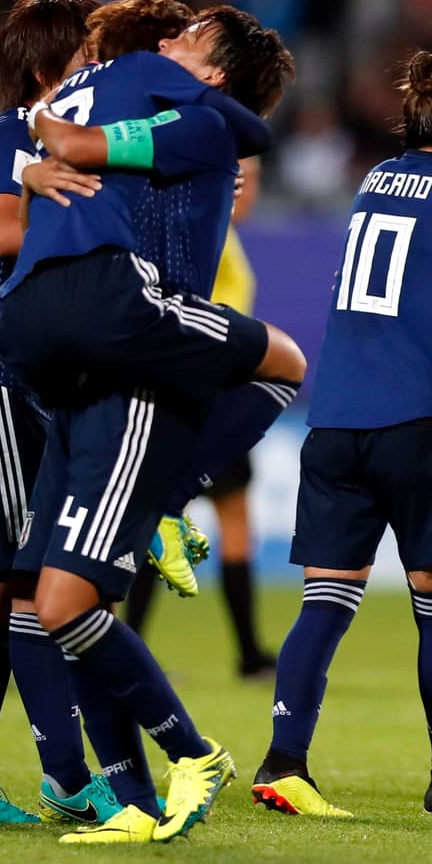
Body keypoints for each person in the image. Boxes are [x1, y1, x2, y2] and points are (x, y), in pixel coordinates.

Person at [0, 5, 299, 845]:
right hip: (99, 349)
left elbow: (159, 144)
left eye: (186, 37)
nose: (164, 46)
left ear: (210, 72)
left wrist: (48, 144)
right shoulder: (160, 114)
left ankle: (170, 499)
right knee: (66, 605)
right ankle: (134, 797)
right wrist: (39, 158)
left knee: (286, 360)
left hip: (135, 354)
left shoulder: (192, 123)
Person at [250, 51, 432, 819]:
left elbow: (394, 300)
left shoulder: (375, 184)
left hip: (336, 422)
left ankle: (284, 761)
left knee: (325, 601)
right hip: (420, 424)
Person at [0, 0, 128, 827]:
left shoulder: (50, 146)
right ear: (51, 66)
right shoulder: (9, 139)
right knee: (25, 585)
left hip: (6, 394)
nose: (98, 72)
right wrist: (52, 187)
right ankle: (68, 777)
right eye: (88, 57)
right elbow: (5, 234)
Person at [122, 155, 279, 681]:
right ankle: (247, 653)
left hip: (209, 389)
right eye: (243, 180)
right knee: (198, 520)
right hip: (210, 392)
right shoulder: (207, 233)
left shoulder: (208, 230)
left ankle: (136, 644)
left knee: (171, 519)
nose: (249, 191)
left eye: (254, 181)